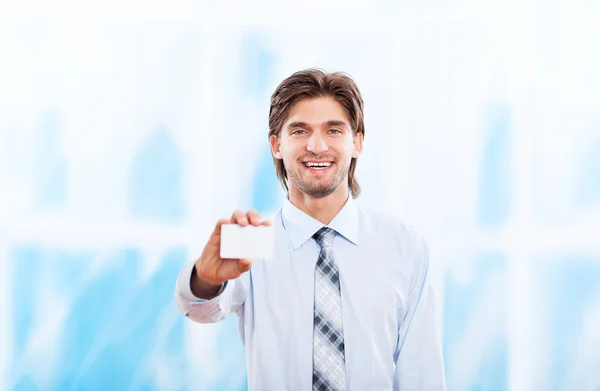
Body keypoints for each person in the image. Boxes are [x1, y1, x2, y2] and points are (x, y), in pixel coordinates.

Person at [175, 68, 446, 390]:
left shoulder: (403, 245)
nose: (317, 147)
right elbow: (201, 311)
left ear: (357, 143)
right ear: (276, 145)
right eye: (300, 131)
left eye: (333, 131)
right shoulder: (253, 241)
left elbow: (421, 371)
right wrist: (207, 277)